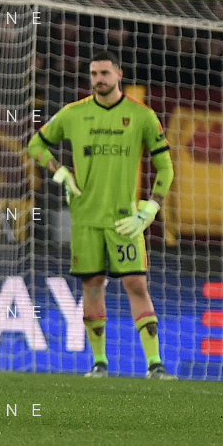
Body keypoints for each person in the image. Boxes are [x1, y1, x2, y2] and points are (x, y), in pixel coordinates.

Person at [27, 51, 176, 379]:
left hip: (125, 219)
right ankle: (99, 364)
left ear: (119, 74)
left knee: (136, 284)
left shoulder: (142, 115)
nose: (98, 79)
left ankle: (155, 364)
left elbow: (166, 167)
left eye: (105, 73)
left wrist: (151, 208)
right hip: (85, 219)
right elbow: (35, 146)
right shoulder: (73, 113)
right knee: (92, 285)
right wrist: (60, 172)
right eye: (94, 73)